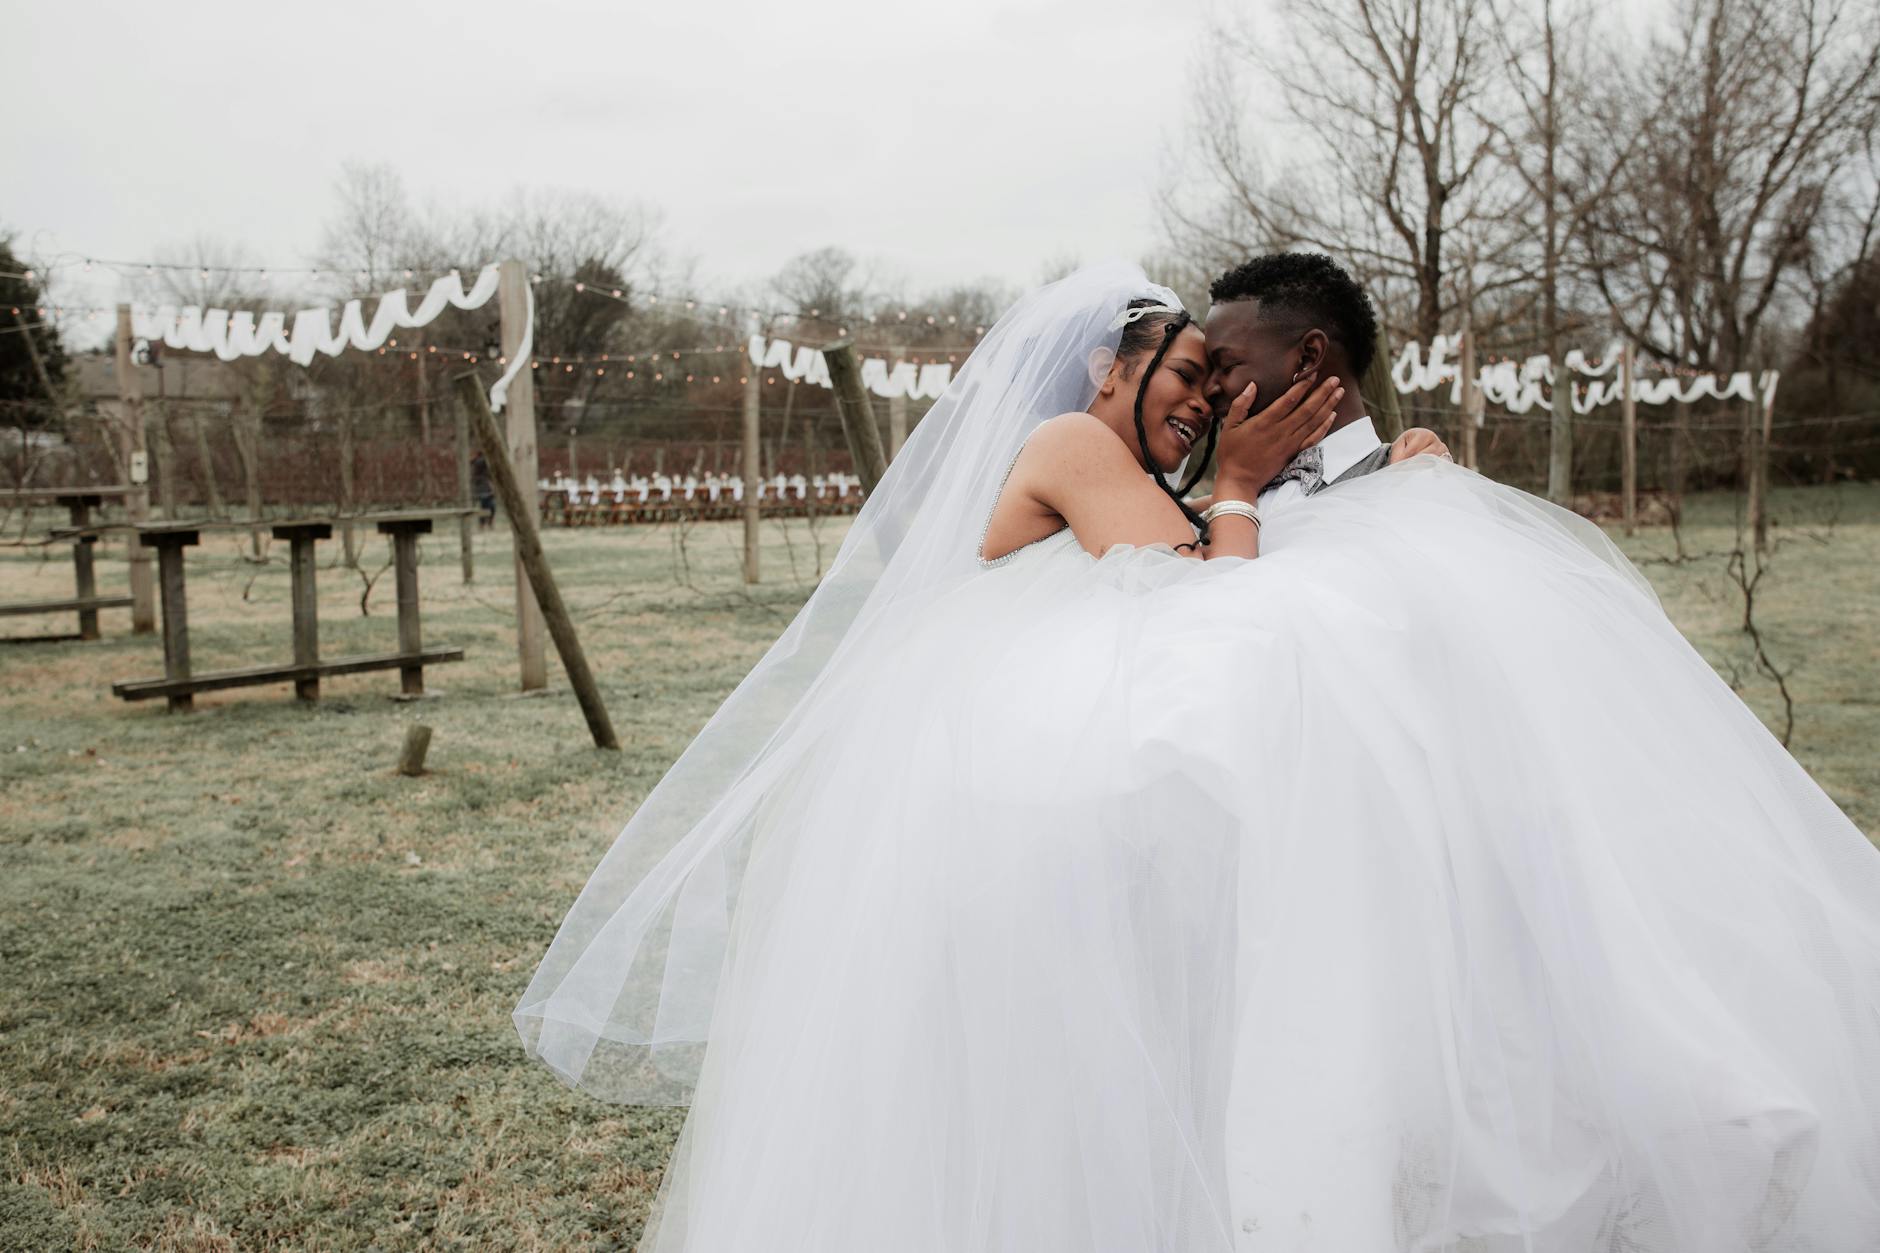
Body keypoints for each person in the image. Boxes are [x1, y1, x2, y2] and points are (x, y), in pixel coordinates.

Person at [516, 262, 1880, 1251]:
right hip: (1008, 781)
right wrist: (1235, 488)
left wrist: (1380, 482)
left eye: (1217, 377)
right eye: (1184, 373)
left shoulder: (1132, 470)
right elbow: (1212, 610)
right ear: (1109, 371)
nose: (1204, 399)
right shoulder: (1072, 445)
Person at [469, 451, 495, 530]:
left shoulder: (480, 462)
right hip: (482, 486)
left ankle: (487, 523)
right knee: (486, 506)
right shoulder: (479, 461)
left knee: (490, 506)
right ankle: (483, 524)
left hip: (486, 486)